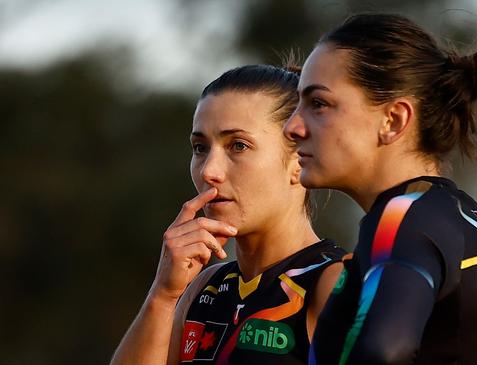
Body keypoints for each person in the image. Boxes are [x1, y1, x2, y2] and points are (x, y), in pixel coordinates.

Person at [283, 13, 477, 365]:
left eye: (318, 104)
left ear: (393, 120)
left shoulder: (405, 215)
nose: (292, 126)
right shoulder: (454, 212)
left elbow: (384, 351)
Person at [111, 64, 345, 365]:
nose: (209, 171)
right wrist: (163, 295)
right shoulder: (203, 287)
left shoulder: (333, 282)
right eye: (200, 148)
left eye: (238, 145)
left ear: (299, 159)